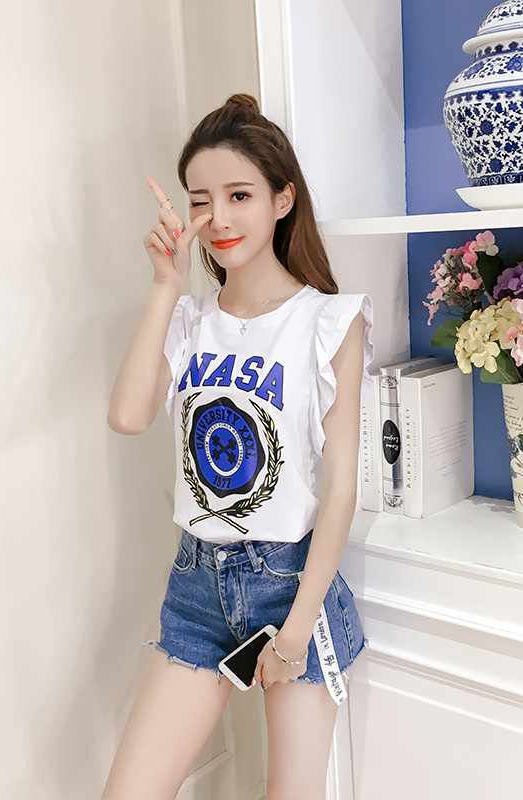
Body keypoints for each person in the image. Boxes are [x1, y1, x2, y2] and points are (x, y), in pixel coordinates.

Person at [103, 93, 373, 800]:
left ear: (283, 199)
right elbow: (128, 415)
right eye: (201, 201)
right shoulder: (189, 318)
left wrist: (296, 631)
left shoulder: (328, 322)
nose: (218, 218)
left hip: (292, 587)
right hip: (196, 589)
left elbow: (341, 489)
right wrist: (165, 284)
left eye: (239, 195)